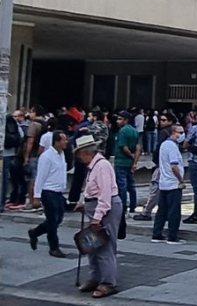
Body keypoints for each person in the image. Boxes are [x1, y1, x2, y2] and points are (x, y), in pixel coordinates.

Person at [74, 134, 123, 298]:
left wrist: (97, 217)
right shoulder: (94, 166)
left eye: (79, 154)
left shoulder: (102, 166)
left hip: (105, 209)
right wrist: (84, 202)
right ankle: (95, 278)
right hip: (95, 207)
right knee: (92, 246)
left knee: (104, 246)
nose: (79, 158)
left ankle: (108, 282)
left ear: (86, 152)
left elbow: (105, 195)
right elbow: (90, 188)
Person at [28, 130, 68, 258]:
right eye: (63, 140)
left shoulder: (62, 154)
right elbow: (40, 177)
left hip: (58, 191)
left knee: (58, 218)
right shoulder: (46, 156)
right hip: (48, 191)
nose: (66, 142)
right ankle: (54, 247)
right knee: (52, 220)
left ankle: (35, 232)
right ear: (56, 142)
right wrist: (37, 196)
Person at [134, 114, 176, 221]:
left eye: (164, 120)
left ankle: (147, 211)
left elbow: (159, 149)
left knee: (155, 189)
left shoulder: (164, 133)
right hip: (168, 166)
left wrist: (156, 161)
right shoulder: (170, 133)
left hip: (162, 166)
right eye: (160, 120)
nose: (161, 122)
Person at [151, 122, 186, 245]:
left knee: (162, 210)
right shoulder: (171, 146)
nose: (182, 135)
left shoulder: (164, 145)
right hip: (173, 183)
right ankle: (172, 236)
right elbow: (174, 166)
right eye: (180, 133)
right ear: (173, 133)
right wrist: (181, 180)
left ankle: (157, 233)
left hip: (164, 182)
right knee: (174, 211)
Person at [113, 111, 141, 217]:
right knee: (132, 186)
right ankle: (133, 206)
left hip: (121, 161)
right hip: (130, 163)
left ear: (126, 120)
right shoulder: (134, 131)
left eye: (120, 119)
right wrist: (135, 161)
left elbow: (124, 147)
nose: (117, 121)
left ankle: (123, 207)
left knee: (122, 186)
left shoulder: (122, 132)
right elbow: (138, 148)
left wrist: (130, 155)